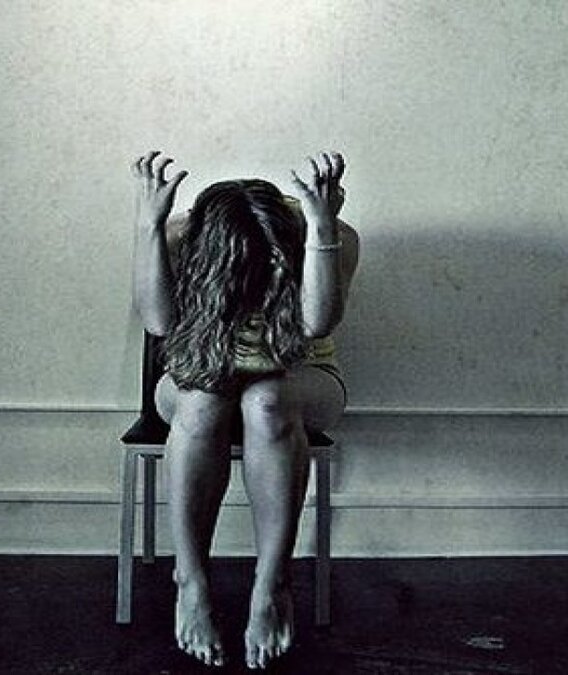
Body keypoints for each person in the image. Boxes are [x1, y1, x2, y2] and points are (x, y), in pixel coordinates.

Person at [130, 150, 359, 669]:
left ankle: (272, 584)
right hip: (201, 374)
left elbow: (317, 324)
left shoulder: (329, 233)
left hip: (300, 376)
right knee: (203, 400)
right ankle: (190, 582)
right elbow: (159, 323)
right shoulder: (180, 234)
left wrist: (322, 230)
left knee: (266, 399)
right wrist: (150, 226)